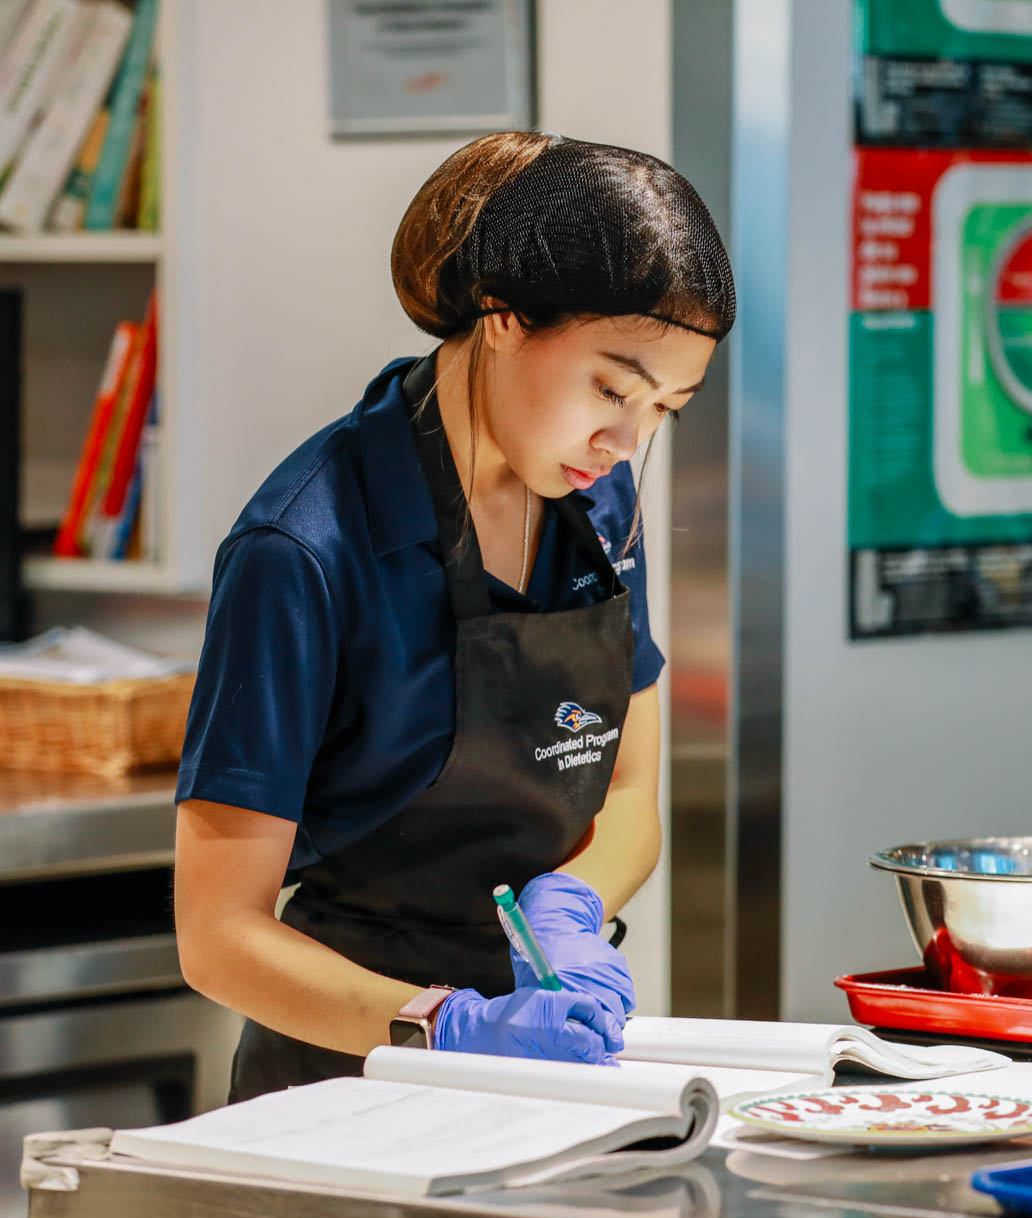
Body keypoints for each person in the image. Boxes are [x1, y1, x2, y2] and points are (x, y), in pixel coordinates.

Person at [171, 132, 734, 1101]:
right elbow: (218, 935)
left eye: (664, 410)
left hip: (546, 1082)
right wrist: (448, 1024)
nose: (625, 440)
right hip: (339, 1088)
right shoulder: (303, 546)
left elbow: (634, 791)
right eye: (610, 386)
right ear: (504, 314)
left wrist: (571, 904)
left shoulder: (600, 511)